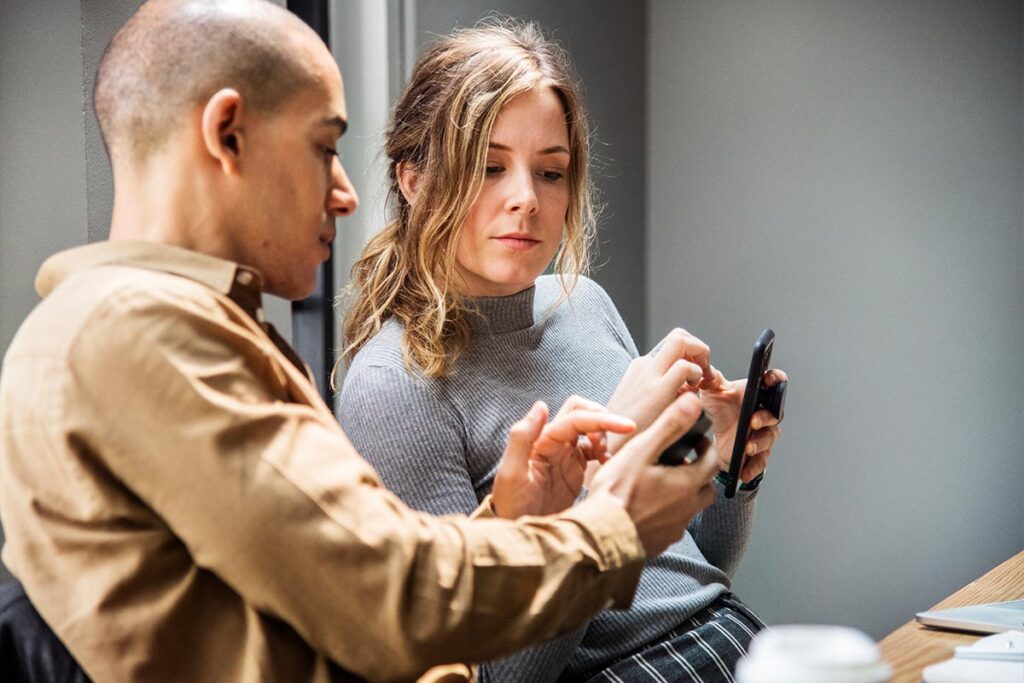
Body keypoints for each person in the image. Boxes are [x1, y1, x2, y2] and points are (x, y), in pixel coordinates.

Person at [0, 2, 726, 681]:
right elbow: (389, 596)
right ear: (226, 134)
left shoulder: (176, 325)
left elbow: (343, 575)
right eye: (324, 147)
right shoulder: (135, 333)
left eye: (550, 171)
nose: (347, 192)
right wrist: (611, 522)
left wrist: (507, 519)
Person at [338, 21, 787, 683]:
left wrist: (725, 470)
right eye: (489, 168)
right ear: (413, 180)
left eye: (550, 171)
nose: (526, 198)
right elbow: (494, 674)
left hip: (735, 635)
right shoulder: (392, 385)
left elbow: (692, 572)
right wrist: (606, 487)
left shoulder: (585, 304)